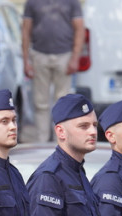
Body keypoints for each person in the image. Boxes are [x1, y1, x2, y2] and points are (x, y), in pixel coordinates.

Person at [22, 0, 85, 143]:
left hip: (64, 55)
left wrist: (75, 58)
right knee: (40, 103)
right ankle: (41, 142)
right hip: (39, 55)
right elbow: (26, 30)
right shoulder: (32, 2)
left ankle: (61, 141)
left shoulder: (72, 2)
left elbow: (79, 29)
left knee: (63, 102)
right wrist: (26, 61)